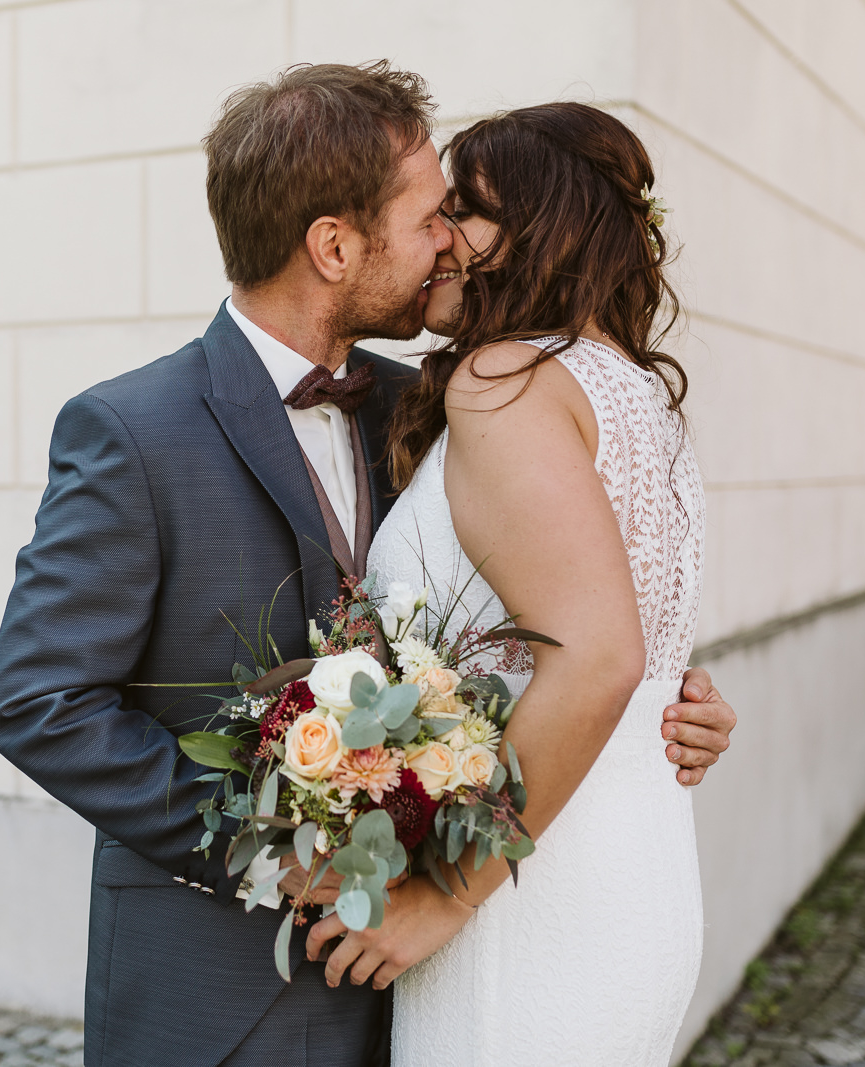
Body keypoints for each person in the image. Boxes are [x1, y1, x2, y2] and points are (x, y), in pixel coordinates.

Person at [0, 64, 735, 1067]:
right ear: (334, 245)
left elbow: (556, 617)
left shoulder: (434, 402)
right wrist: (276, 859)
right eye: (433, 213)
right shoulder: (130, 429)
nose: (447, 240)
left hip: (442, 956)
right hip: (223, 984)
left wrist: (659, 705)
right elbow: (40, 700)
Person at [304, 101, 709, 1065]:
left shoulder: (508, 378)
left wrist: (439, 896)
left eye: (462, 212)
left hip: (525, 898)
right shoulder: (635, 394)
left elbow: (603, 656)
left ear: (540, 223)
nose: (439, 240)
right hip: (634, 866)